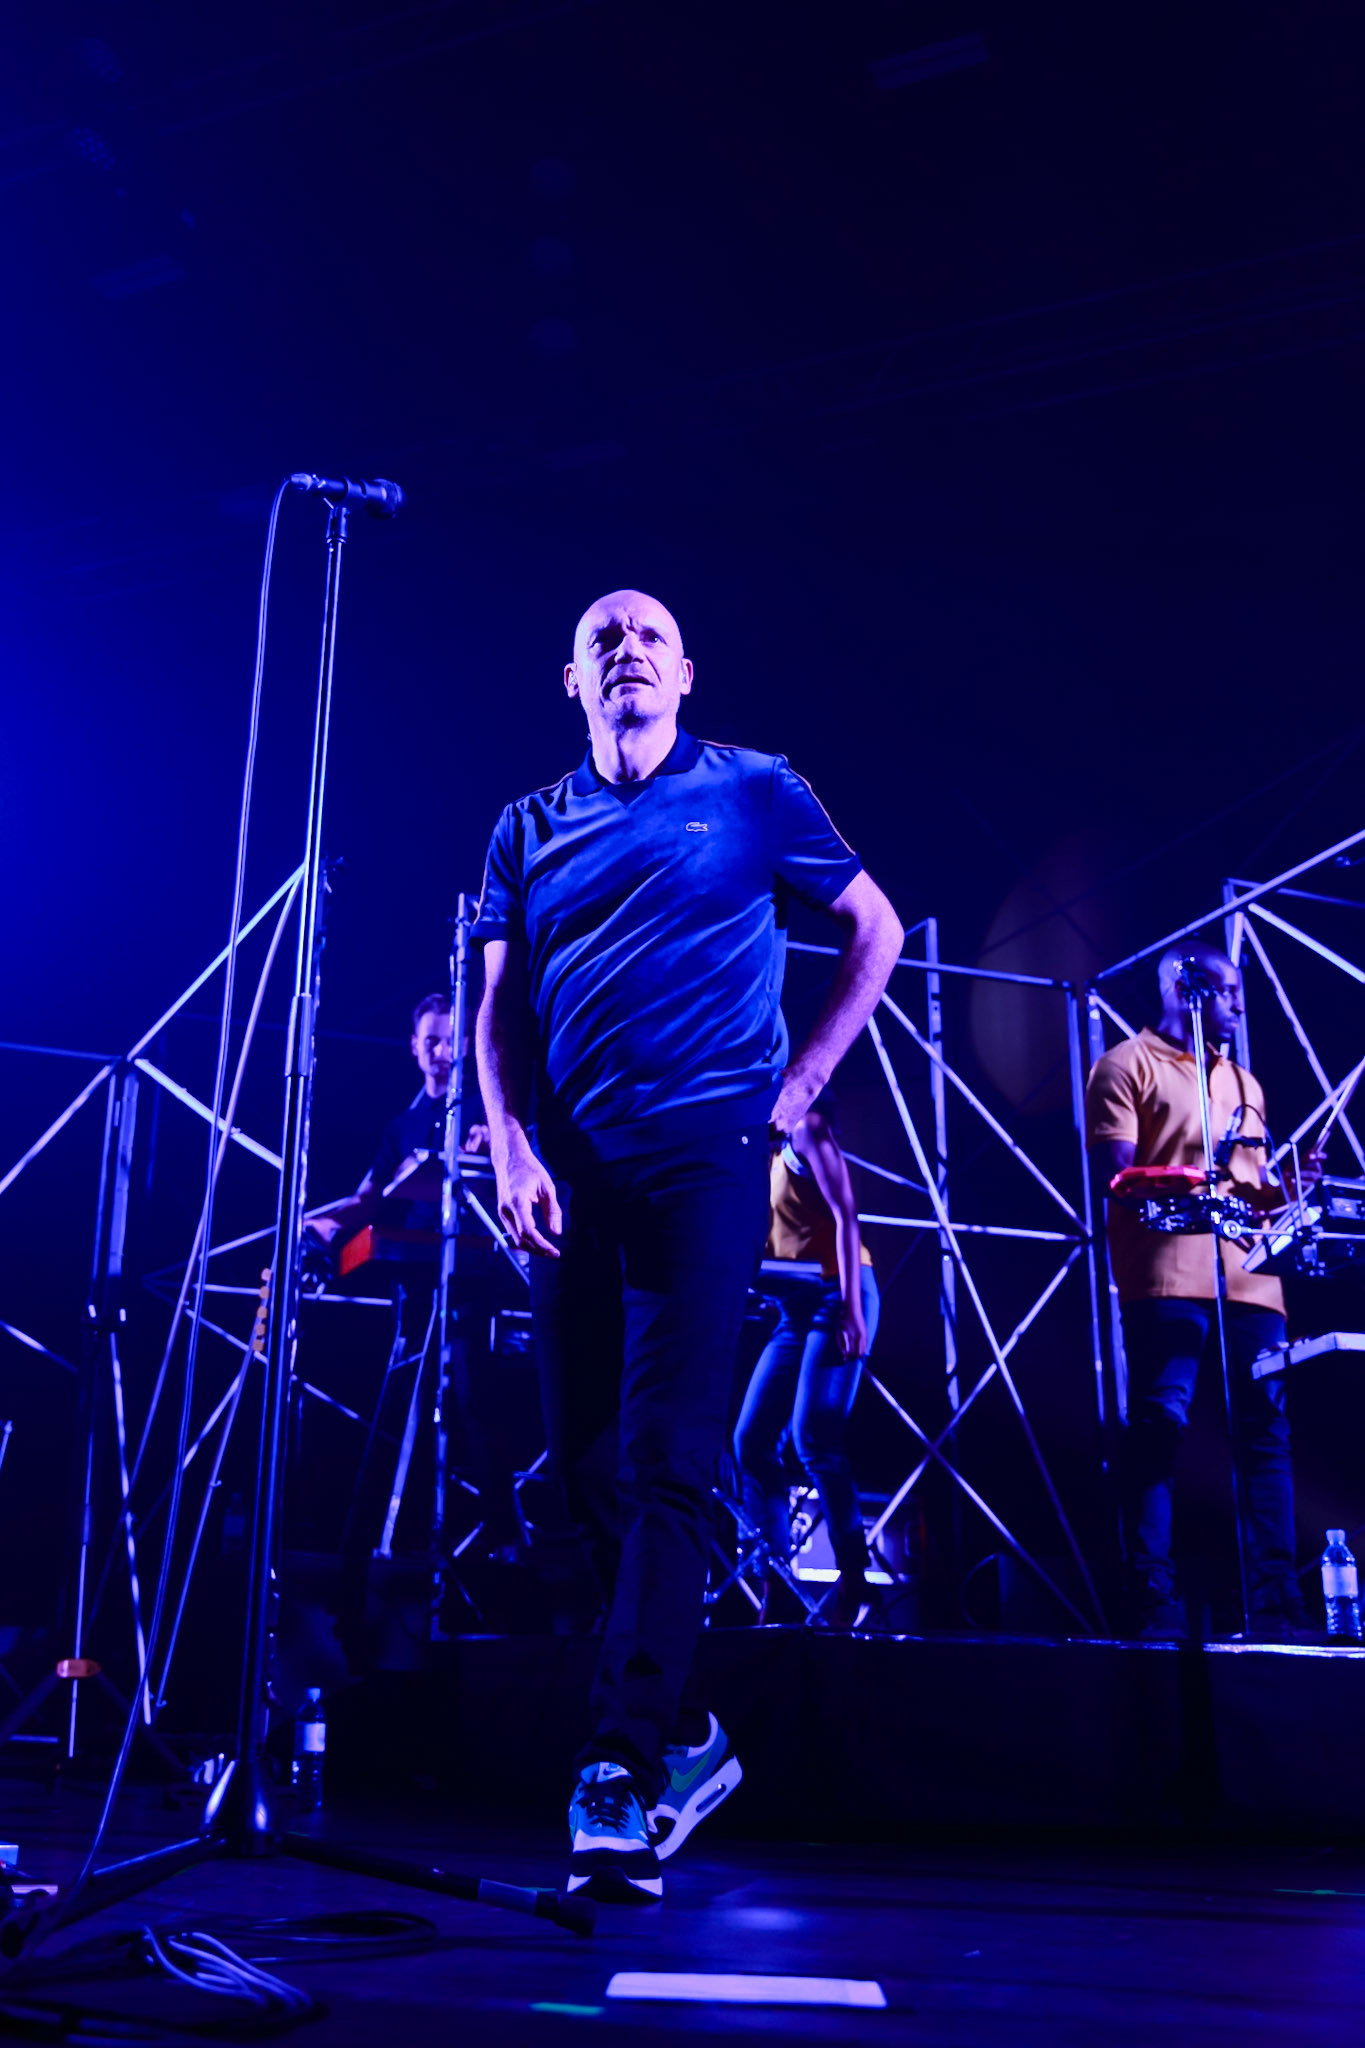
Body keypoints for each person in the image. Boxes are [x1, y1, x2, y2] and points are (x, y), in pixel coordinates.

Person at [474, 588, 903, 1900]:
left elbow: (874, 930)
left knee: (671, 1458)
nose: (628, 654)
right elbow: (494, 1009)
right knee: (586, 1469)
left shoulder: (760, 791)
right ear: (571, 680)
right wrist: (505, 1143)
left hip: (703, 1161)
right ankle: (690, 1735)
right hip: (568, 1170)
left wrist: (801, 1083)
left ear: (686, 672)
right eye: (605, 641)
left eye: (649, 637)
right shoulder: (525, 828)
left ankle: (614, 1767)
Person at [1086, 940, 1325, 1640]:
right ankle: (1150, 1592)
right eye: (1224, 992)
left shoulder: (1244, 1083)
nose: (1238, 1005)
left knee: (1265, 1436)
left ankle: (1274, 1597)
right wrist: (1199, 1184)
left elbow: (1253, 1193)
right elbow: (1121, 1178)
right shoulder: (1123, 1066)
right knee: (1162, 1422)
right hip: (1166, 1274)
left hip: (1250, 1281)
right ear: (1183, 989)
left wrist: (1291, 1190)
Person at [733, 1099, 880, 1629]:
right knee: (750, 1439)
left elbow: (847, 1216)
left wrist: (853, 1312)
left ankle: (856, 1577)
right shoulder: (762, 1152)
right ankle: (775, 1579)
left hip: (838, 1296)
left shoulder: (807, 1129)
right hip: (794, 1310)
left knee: (813, 1438)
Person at [307, 993, 488, 1247]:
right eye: (431, 1041)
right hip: (414, 1253)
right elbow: (369, 1197)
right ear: (415, 1045)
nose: (441, 1051)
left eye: (451, 1041)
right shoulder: (401, 1126)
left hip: (476, 1247)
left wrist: (489, 1150)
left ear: (466, 1045)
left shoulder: (487, 1106)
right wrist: (329, 1223)